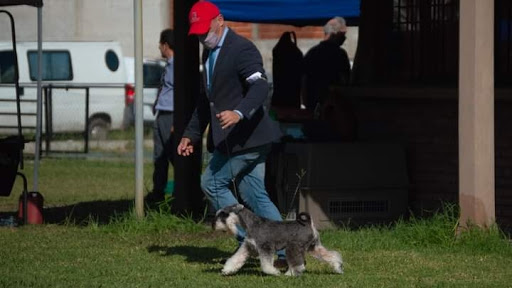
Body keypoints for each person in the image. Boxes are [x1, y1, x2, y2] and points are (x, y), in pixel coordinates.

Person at [177, 1, 286, 266]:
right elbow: (206, 102)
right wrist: (190, 134)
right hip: (237, 140)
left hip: (248, 137)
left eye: (206, 30)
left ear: (220, 20)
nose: (203, 37)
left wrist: (239, 112)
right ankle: (284, 253)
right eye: (198, 33)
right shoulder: (209, 54)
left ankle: (248, 241)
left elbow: (260, 86)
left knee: (211, 182)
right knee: (256, 194)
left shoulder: (241, 49)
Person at [147, 29, 175, 202]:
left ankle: (180, 193)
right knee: (159, 156)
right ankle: (158, 192)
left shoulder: (177, 66)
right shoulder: (169, 65)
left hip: (170, 115)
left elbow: (180, 93)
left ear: (165, 45)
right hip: (162, 113)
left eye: (160, 44)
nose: (159, 47)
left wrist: (177, 121)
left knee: (172, 155)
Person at [302, 16, 351, 113]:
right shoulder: (340, 54)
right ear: (334, 34)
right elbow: (346, 79)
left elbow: (304, 79)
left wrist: (305, 101)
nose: (344, 38)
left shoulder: (312, 53)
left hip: (313, 104)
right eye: (342, 34)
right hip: (334, 107)